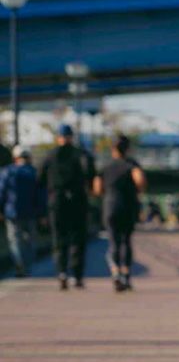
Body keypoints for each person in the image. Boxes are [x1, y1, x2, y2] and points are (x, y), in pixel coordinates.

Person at [37, 124, 94, 290]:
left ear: (58, 137)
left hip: (57, 200)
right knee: (78, 238)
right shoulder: (81, 154)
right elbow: (91, 174)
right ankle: (77, 276)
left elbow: (39, 179)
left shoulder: (50, 156)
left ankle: (62, 272)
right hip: (78, 200)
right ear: (71, 137)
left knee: (58, 238)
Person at [93, 135, 146, 292]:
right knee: (126, 241)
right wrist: (137, 191)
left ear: (113, 149)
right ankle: (126, 275)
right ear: (128, 149)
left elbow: (97, 188)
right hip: (128, 207)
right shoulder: (132, 165)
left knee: (113, 241)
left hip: (110, 205)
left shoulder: (105, 166)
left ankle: (115, 273)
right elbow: (140, 181)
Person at [0, 145, 41, 276]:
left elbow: (1, 191)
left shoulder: (7, 171)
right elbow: (40, 194)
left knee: (14, 240)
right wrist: (42, 212)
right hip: (30, 212)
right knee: (30, 240)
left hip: (11, 211)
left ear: (15, 157)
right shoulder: (33, 172)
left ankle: (19, 265)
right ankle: (27, 265)